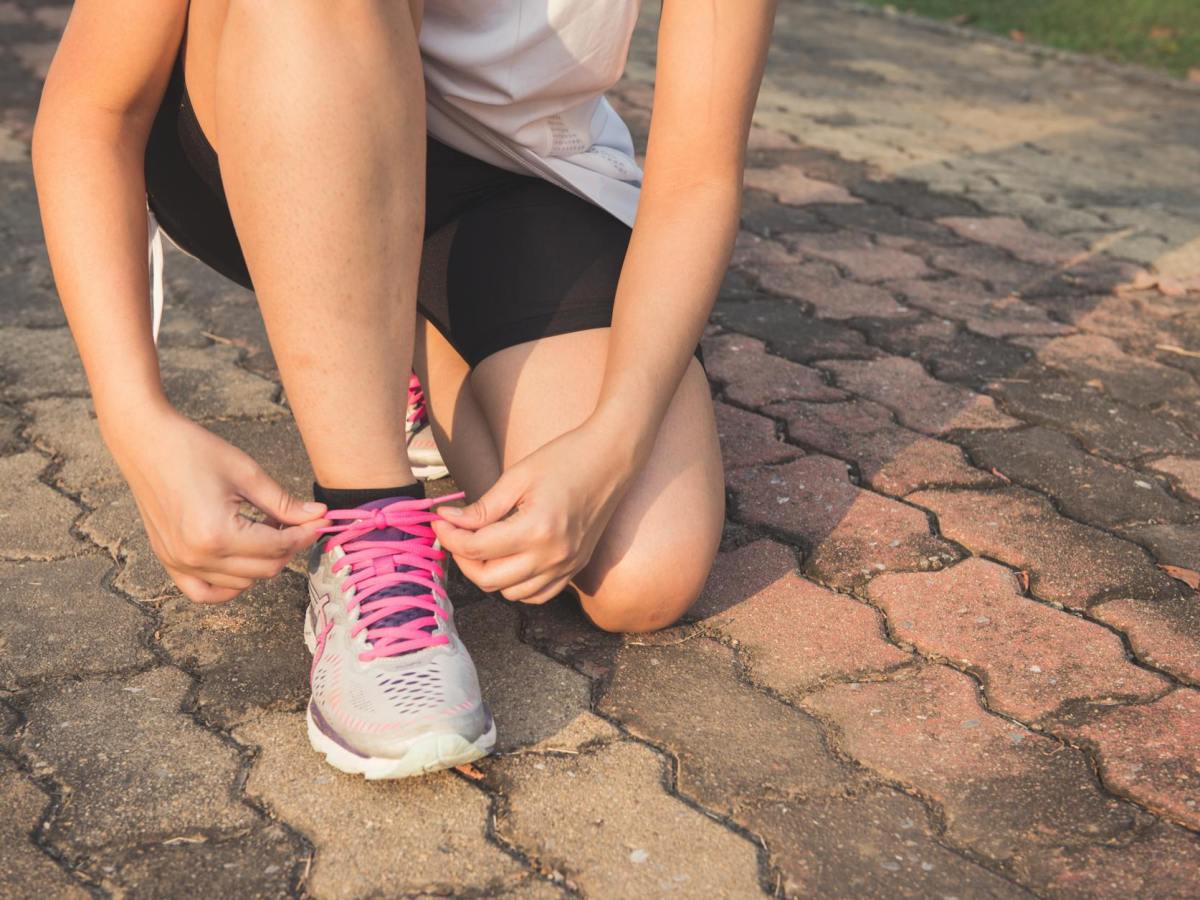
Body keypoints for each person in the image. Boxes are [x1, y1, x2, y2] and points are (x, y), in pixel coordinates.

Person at [32, 0, 777, 779]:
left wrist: (613, 441)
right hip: (270, 102)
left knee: (639, 572)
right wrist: (134, 416)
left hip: (515, 174)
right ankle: (370, 525)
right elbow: (93, 109)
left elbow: (698, 174)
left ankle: (388, 339)